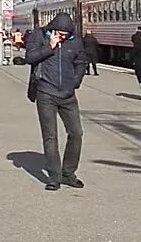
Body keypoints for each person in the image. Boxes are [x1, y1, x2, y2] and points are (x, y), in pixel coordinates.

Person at [24, 12, 89, 191]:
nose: (63, 37)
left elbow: (81, 62)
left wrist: (75, 82)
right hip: (46, 93)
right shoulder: (39, 36)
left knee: (76, 133)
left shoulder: (74, 41)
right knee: (50, 136)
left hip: (68, 95)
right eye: (59, 34)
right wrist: (50, 47)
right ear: (52, 29)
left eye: (65, 34)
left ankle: (69, 173)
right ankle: (54, 177)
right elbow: (29, 58)